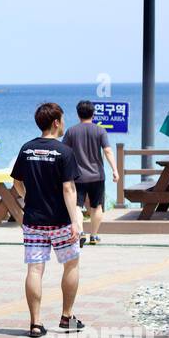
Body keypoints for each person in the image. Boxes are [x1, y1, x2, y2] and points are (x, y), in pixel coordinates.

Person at [11, 102, 85, 338]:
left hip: (33, 220)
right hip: (61, 221)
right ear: (56, 122)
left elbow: (16, 182)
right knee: (71, 264)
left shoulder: (27, 149)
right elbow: (68, 189)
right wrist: (76, 220)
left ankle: (35, 323)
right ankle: (67, 316)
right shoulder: (64, 152)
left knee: (35, 270)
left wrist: (29, 198)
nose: (64, 124)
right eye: (63, 120)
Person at [61, 100, 119, 244]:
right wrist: (115, 170)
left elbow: (63, 152)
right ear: (93, 114)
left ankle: (80, 231)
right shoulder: (100, 130)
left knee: (76, 206)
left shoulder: (71, 131)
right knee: (97, 206)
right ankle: (94, 235)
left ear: (78, 114)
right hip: (97, 176)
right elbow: (107, 151)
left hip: (77, 176)